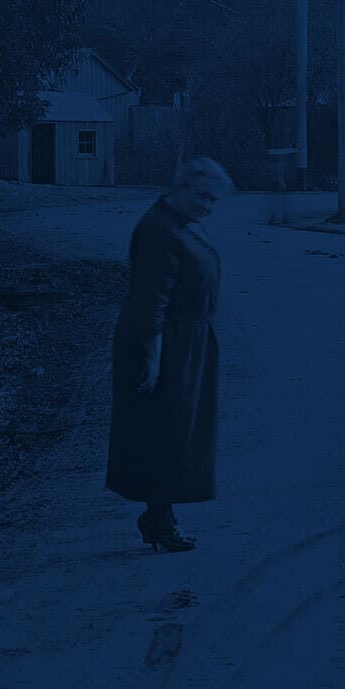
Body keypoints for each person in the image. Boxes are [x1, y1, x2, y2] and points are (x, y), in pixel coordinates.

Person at [107, 157, 231, 552]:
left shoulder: (181, 224)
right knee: (165, 432)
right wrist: (153, 354)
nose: (207, 206)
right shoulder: (159, 231)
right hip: (167, 341)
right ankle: (159, 520)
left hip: (188, 339)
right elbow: (150, 301)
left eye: (213, 200)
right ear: (179, 187)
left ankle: (161, 517)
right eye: (201, 196)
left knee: (177, 432)